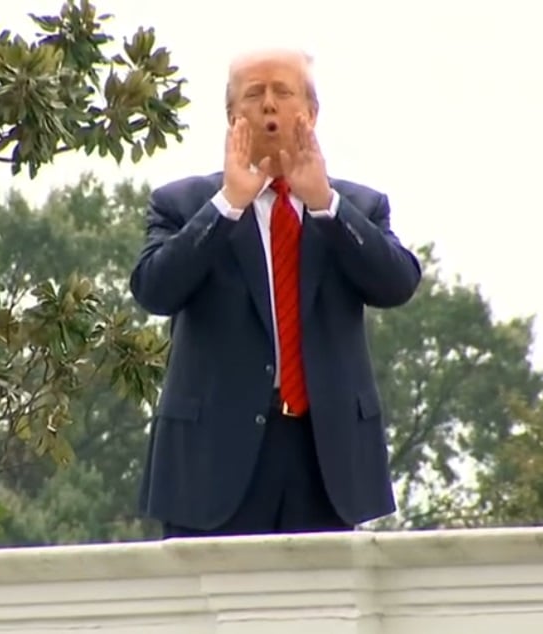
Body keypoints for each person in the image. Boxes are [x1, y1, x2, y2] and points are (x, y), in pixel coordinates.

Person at [128, 48, 422, 539]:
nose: (268, 106)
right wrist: (229, 204)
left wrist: (325, 204)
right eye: (253, 94)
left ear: (310, 113)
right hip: (211, 463)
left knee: (320, 612)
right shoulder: (182, 204)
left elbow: (396, 284)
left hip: (324, 460)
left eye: (283, 93)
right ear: (231, 116)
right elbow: (155, 290)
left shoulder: (358, 206)